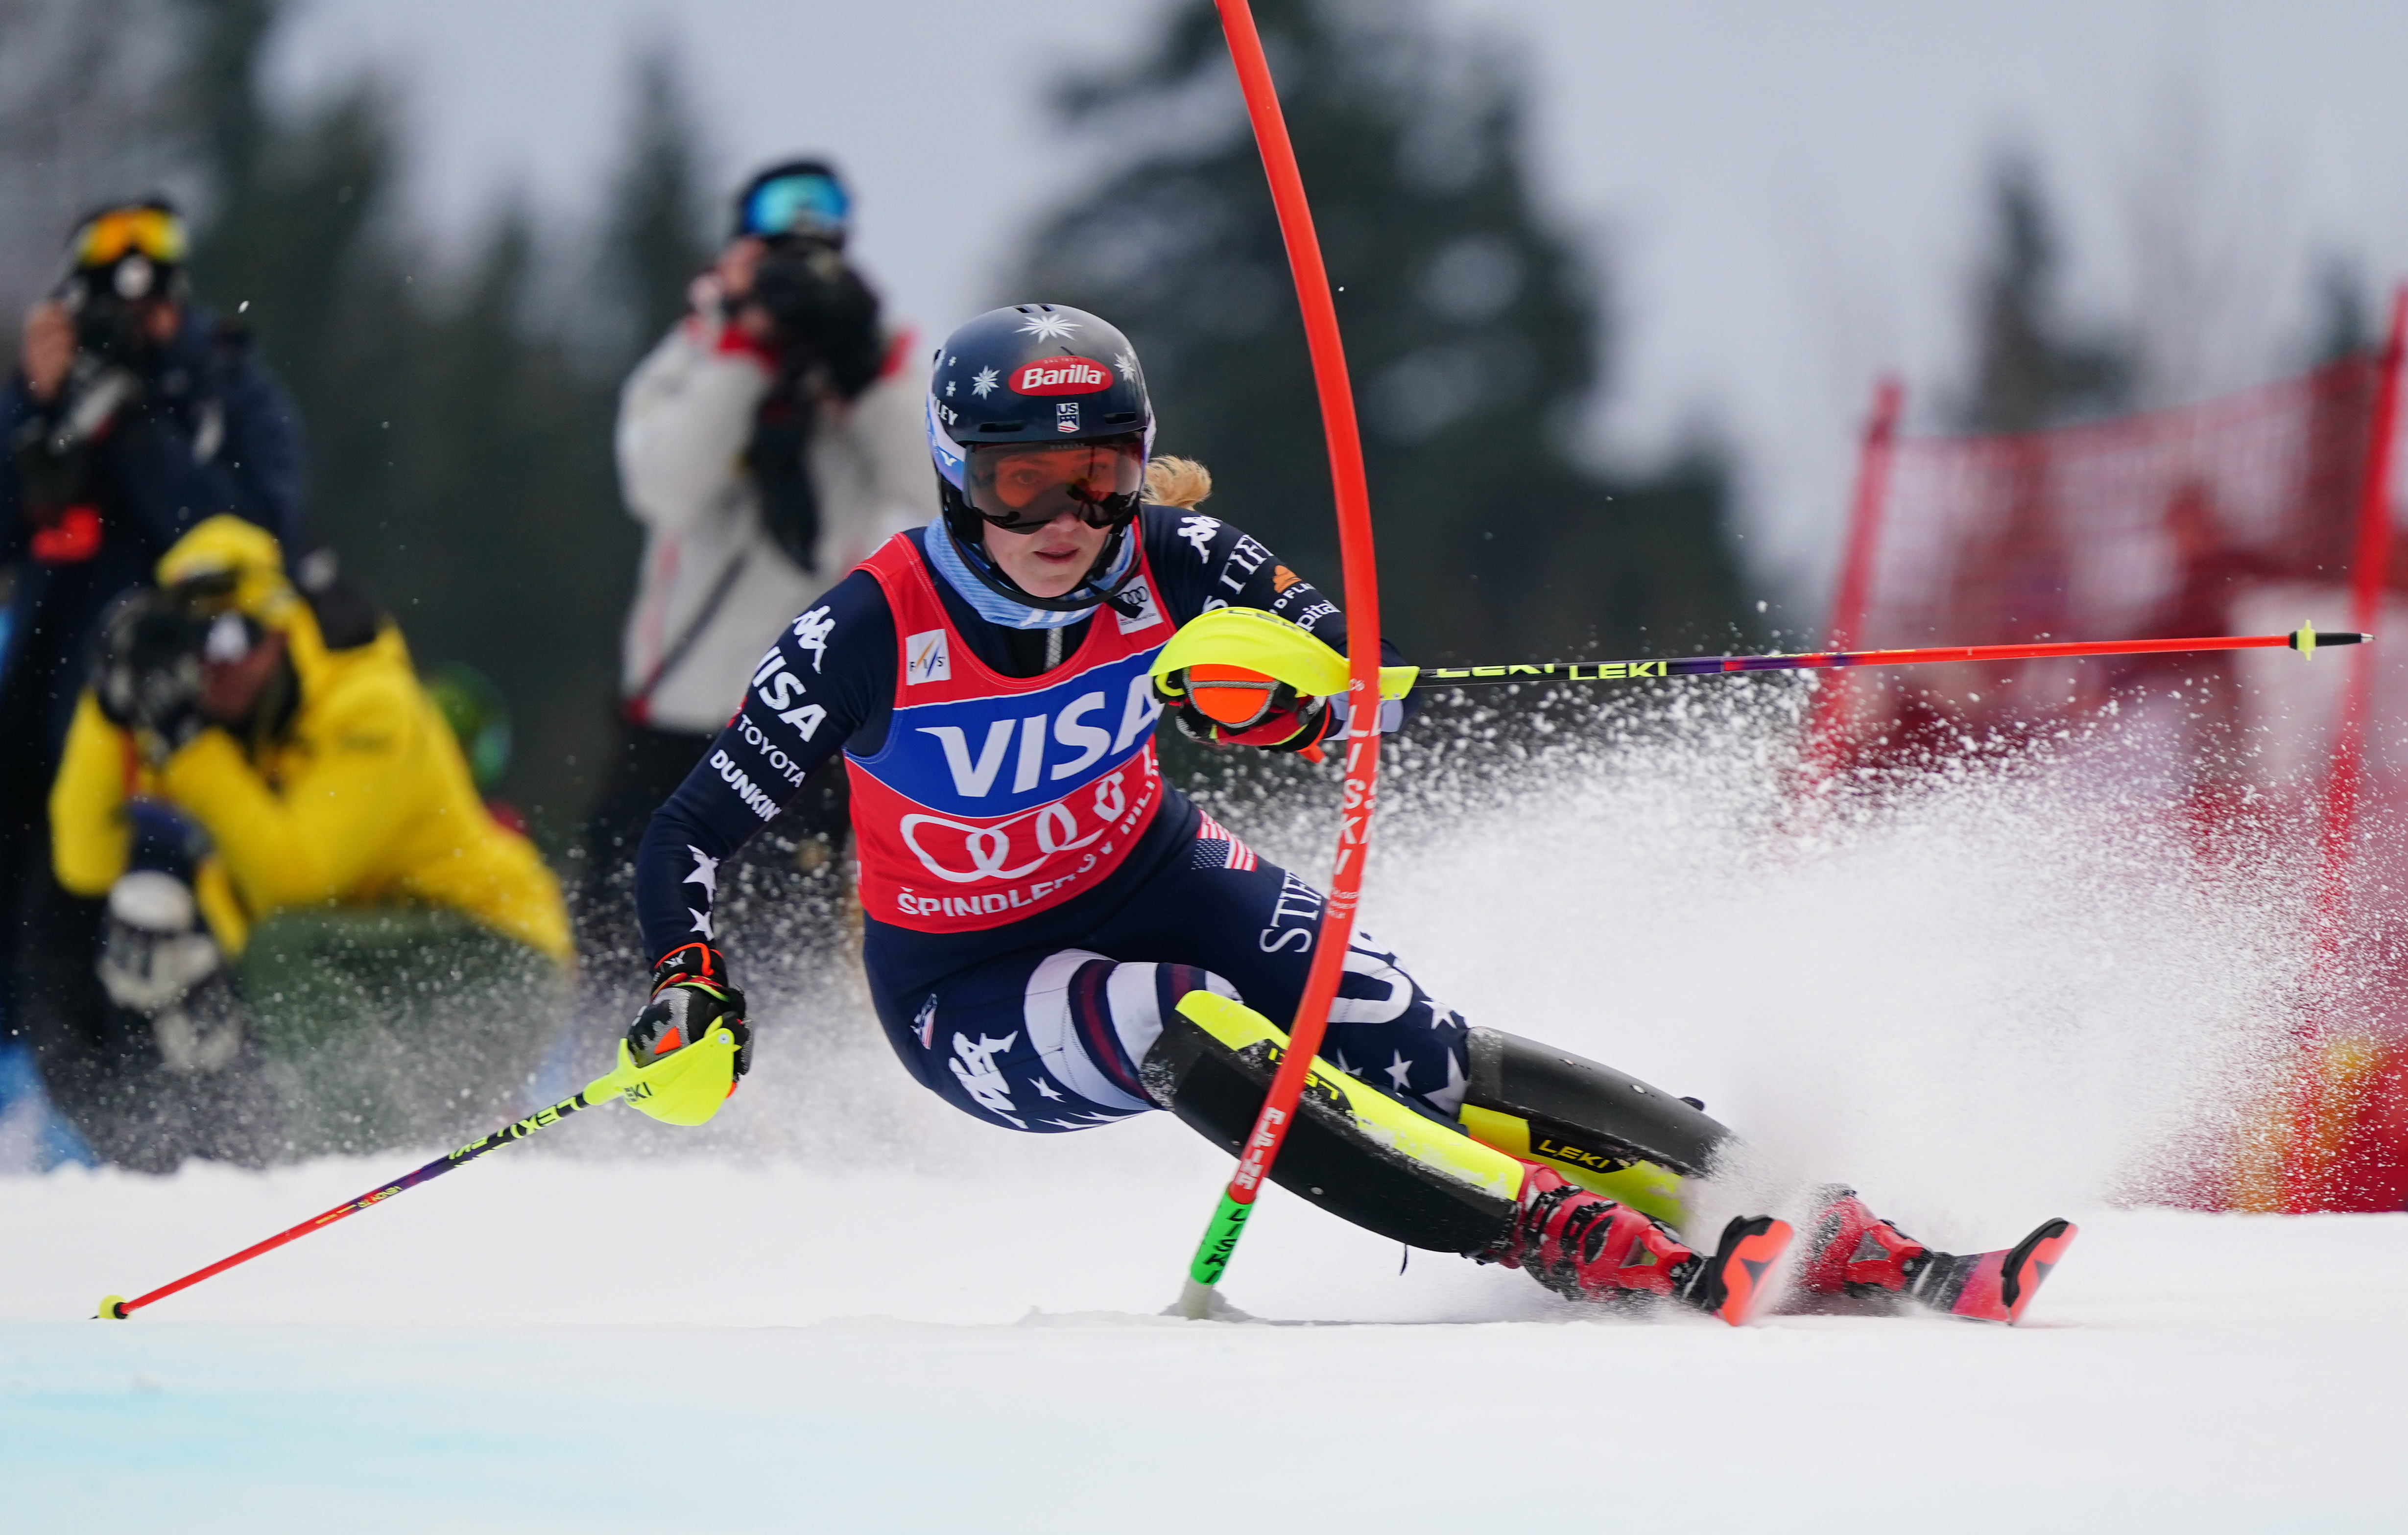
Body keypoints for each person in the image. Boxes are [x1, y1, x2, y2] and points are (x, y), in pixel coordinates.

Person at [609, 304, 2076, 1324]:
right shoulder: (867, 630)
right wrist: (688, 981)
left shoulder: (1174, 559)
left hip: (1153, 870)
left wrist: (1300, 701)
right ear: (952, 476)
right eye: (1017, 480)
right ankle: (1554, 1234)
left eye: (1099, 474)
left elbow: (1354, 683)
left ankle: (1805, 1210)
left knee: (1402, 1034)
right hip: (966, 983)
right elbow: (683, 832)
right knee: (1184, 1016)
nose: (1064, 516)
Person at [34, 518, 571, 1167]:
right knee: (102, 960)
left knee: (280, 951)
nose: (216, 669)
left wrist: (192, 750)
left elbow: (299, 878)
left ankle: (364, 1172)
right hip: (360, 975)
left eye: (235, 639)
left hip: (494, 961)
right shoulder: (209, 726)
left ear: (282, 628)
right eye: (194, 648)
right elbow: (84, 862)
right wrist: (112, 702)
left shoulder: (369, 698)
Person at [0, 198, 302, 1141]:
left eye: (152, 303)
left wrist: (133, 430)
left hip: (195, 733)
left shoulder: (222, 394)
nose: (132, 326)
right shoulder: (43, 401)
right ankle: (51, 1137)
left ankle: (205, 1146)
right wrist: (44, 409)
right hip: (54, 725)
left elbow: (258, 535)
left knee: (171, 951)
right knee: (44, 951)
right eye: (105, 307)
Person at [585, 158, 931, 972]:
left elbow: (938, 486)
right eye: (771, 257)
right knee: (619, 936)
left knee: (791, 952)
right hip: (674, 713)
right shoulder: (694, 357)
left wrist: (864, 373)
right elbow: (663, 485)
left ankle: (792, 1090)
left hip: (810, 717)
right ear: (733, 255)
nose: (795, 279)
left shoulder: (876, 363)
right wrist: (746, 351)